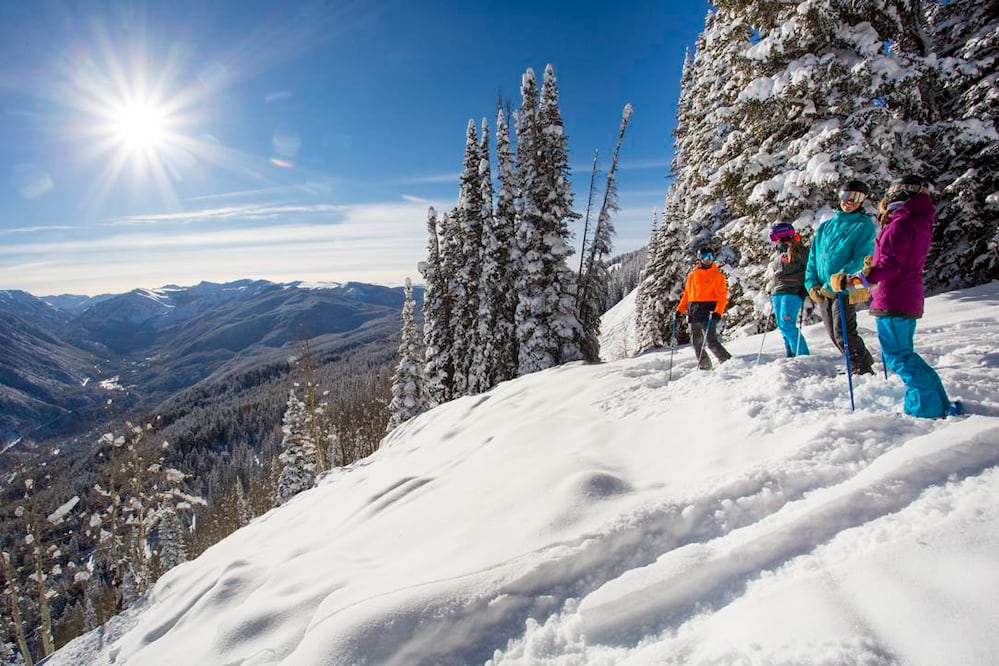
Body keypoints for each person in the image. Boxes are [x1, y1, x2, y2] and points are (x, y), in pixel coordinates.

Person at [852, 174, 958, 418]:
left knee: (898, 356)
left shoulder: (900, 223)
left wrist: (855, 279)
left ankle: (924, 408)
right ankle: (935, 403)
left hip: (893, 297)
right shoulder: (915, 221)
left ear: (899, 194)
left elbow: (890, 266)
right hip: (904, 295)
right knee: (904, 354)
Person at [804, 179, 877, 375]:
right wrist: (811, 284)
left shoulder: (864, 226)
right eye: (846, 196)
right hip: (824, 287)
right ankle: (860, 361)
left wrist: (833, 282)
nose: (849, 201)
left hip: (847, 285)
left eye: (856, 197)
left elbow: (861, 258)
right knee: (832, 333)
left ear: (862, 201)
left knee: (843, 330)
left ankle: (861, 367)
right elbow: (814, 257)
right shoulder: (826, 226)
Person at [677, 248, 732, 370]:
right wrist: (679, 309)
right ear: (700, 258)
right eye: (706, 256)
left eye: (711, 257)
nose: (708, 260)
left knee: (711, 340)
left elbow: (722, 297)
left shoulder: (718, 276)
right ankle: (704, 366)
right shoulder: (692, 275)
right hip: (694, 311)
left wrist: (718, 312)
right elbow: (687, 294)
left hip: (709, 311)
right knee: (696, 343)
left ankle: (727, 361)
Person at [767, 222, 810, 357]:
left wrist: (806, 288)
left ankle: (803, 356)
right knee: (782, 327)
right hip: (777, 292)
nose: (774, 241)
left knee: (787, 325)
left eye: (774, 237)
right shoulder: (778, 253)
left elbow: (810, 268)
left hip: (792, 291)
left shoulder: (800, 250)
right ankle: (790, 356)